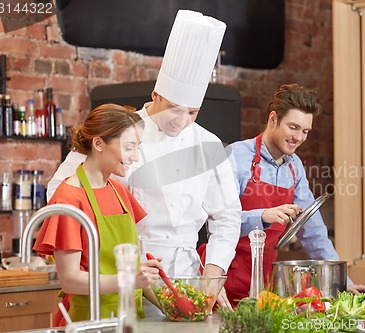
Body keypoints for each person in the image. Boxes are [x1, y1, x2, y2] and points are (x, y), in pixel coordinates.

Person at [46, 10, 241, 312]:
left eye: (192, 112)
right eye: (175, 109)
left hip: (189, 278)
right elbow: (61, 193)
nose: (182, 121)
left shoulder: (208, 144)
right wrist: (95, 258)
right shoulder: (118, 130)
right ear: (155, 95)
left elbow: (227, 217)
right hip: (126, 278)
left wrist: (212, 280)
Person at [218, 84, 365, 306]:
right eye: (293, 127)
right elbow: (217, 222)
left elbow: (313, 231)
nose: (299, 137)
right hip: (226, 274)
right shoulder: (235, 157)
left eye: (305, 131)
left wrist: (343, 282)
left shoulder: (294, 166)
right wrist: (262, 216)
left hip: (267, 280)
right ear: (273, 119)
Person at [33, 104, 163, 325]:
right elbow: (70, 281)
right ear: (98, 143)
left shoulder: (119, 191)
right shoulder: (69, 199)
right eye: (129, 147)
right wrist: (129, 280)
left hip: (129, 320)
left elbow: (134, 271)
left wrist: (172, 305)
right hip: (88, 321)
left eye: (138, 147)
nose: (135, 157)